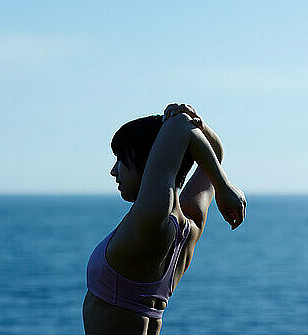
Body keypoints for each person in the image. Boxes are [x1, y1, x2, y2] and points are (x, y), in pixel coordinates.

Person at [83, 103, 247, 335]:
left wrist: (224, 187)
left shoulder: (151, 220)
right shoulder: (190, 225)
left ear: (151, 163)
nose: (113, 171)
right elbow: (213, 152)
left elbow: (179, 127)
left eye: (121, 159)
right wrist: (197, 121)